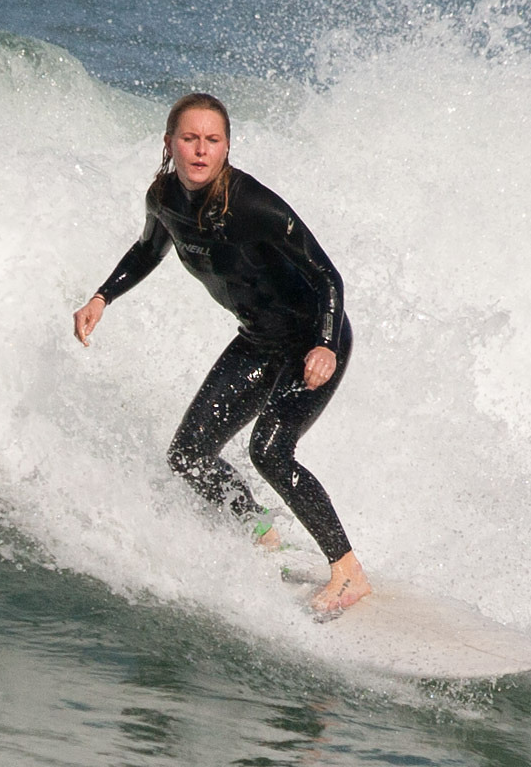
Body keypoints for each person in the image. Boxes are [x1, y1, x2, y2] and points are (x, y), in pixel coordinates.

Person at [71, 93, 372, 615]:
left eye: (213, 141)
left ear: (227, 147)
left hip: (314, 341)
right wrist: (102, 297)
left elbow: (327, 274)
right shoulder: (163, 197)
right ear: (169, 144)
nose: (201, 150)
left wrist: (324, 342)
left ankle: (348, 572)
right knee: (188, 454)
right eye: (190, 139)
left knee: (270, 451)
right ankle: (259, 528)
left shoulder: (253, 204)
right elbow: (147, 250)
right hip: (258, 339)